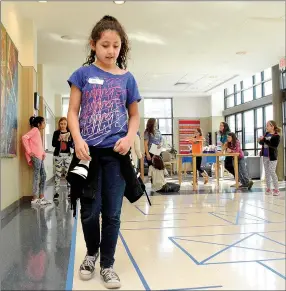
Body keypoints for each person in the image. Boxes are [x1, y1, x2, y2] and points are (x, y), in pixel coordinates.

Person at [67, 15, 141, 289]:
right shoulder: (82, 75)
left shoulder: (127, 79)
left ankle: (107, 265)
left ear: (122, 47)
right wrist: (77, 138)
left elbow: (134, 116)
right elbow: (73, 111)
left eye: (116, 46)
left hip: (116, 155)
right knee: (89, 211)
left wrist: (130, 137)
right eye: (105, 45)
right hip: (88, 155)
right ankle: (91, 254)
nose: (111, 51)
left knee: (112, 213)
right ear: (93, 45)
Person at [22, 116, 51, 206]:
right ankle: (35, 198)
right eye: (44, 122)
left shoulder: (37, 131)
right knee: (37, 176)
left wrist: (43, 153)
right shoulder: (35, 130)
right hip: (36, 157)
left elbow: (38, 145)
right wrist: (29, 151)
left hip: (39, 157)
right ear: (39, 124)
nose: (45, 124)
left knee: (43, 175)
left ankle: (41, 197)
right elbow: (24, 138)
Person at [52, 117, 73, 201]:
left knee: (68, 174)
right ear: (59, 124)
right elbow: (53, 144)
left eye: (64, 124)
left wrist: (67, 140)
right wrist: (59, 139)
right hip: (58, 155)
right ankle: (56, 192)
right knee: (58, 174)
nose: (63, 125)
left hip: (68, 155)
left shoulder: (70, 133)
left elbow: (72, 144)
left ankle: (69, 193)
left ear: (67, 124)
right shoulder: (56, 133)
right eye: (61, 124)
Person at [258, 120, 281, 196]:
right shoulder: (266, 134)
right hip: (265, 156)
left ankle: (276, 189)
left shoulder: (276, 136)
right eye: (266, 125)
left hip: (272, 157)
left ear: (272, 127)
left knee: (272, 171)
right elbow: (262, 143)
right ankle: (268, 189)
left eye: (268, 125)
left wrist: (264, 139)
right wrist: (260, 140)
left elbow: (273, 145)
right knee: (267, 173)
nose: (266, 127)